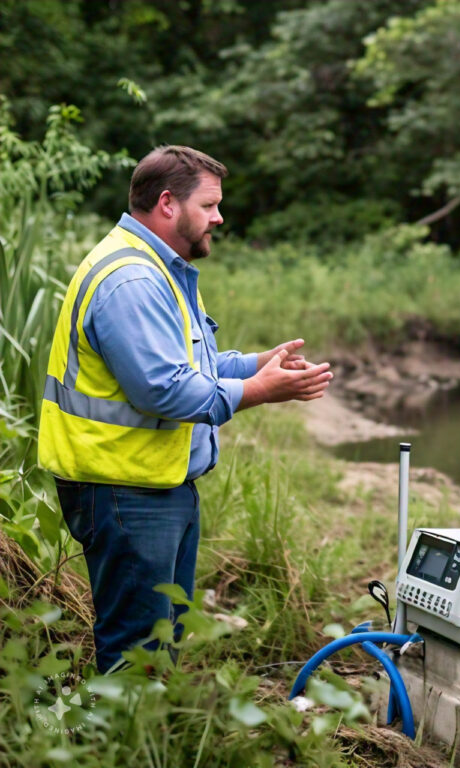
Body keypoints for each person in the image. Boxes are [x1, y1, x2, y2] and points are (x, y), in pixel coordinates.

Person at [38, 145, 333, 673]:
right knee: (138, 651)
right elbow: (166, 390)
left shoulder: (156, 267)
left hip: (152, 485)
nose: (220, 216)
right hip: (125, 491)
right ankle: (120, 749)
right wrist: (261, 390)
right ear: (168, 203)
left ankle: (141, 740)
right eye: (210, 205)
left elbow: (193, 363)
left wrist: (255, 364)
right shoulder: (131, 280)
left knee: (160, 638)